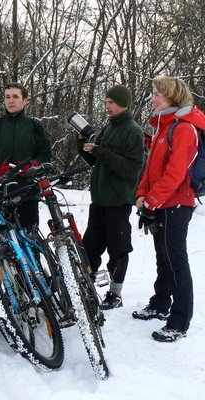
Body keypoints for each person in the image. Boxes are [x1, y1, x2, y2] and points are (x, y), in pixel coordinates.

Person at [133, 76, 205, 342]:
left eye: (157, 94)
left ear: (172, 96)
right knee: (163, 257)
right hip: (160, 202)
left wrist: (151, 201)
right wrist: (142, 194)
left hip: (176, 204)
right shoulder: (163, 127)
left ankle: (179, 320)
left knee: (176, 261)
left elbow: (175, 174)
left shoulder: (184, 129)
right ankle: (160, 303)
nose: (152, 98)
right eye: (152, 93)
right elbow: (150, 169)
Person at [77, 85, 145, 310]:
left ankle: (115, 294)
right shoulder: (108, 128)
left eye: (111, 103)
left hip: (118, 201)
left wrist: (103, 152)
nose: (107, 106)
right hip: (99, 200)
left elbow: (132, 169)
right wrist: (84, 147)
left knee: (118, 249)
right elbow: (97, 163)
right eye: (106, 102)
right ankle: (86, 288)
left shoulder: (133, 131)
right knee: (90, 247)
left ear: (123, 103)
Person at [0, 82, 52, 230]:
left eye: (15, 97)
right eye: (7, 97)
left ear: (25, 101)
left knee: (30, 243)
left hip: (28, 194)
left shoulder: (35, 127)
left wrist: (34, 166)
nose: (11, 100)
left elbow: (45, 155)